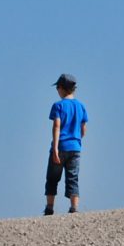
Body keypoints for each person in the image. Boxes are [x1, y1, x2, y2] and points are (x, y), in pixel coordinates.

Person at [45, 73, 89, 215]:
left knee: (52, 178)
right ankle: (74, 208)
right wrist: (76, 140)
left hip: (61, 146)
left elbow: (57, 126)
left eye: (57, 87)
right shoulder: (81, 106)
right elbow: (83, 130)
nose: (57, 90)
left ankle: (50, 208)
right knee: (73, 178)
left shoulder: (58, 106)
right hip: (75, 148)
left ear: (62, 88)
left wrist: (56, 148)